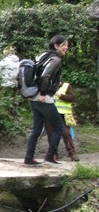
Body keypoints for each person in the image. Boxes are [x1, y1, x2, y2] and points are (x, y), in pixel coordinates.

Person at [23, 34, 68, 166]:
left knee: (36, 129)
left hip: (33, 96)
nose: (66, 48)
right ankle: (50, 157)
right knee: (59, 127)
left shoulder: (43, 56)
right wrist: (43, 93)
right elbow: (45, 75)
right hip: (43, 97)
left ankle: (28, 158)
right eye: (64, 45)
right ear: (56, 46)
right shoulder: (55, 59)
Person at [45, 81, 79, 161]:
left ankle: (72, 153)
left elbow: (71, 98)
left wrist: (59, 95)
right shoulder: (46, 85)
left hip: (63, 114)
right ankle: (53, 154)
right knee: (51, 134)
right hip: (50, 113)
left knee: (66, 133)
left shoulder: (66, 86)